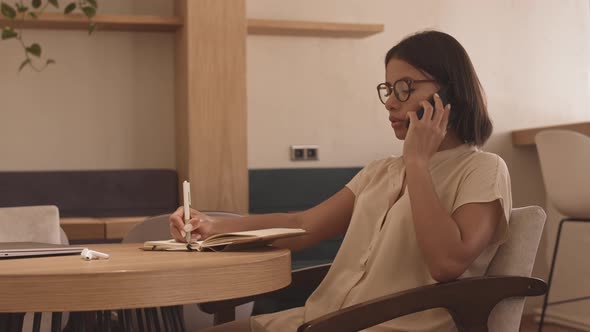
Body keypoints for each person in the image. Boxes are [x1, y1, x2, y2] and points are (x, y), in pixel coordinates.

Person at [169, 30, 512, 332]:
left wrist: (418, 163)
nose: (391, 102)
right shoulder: (381, 171)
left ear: (449, 94)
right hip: (323, 319)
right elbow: (302, 225)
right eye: (389, 89)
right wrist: (213, 226)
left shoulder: (482, 169)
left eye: (405, 88)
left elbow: (447, 264)